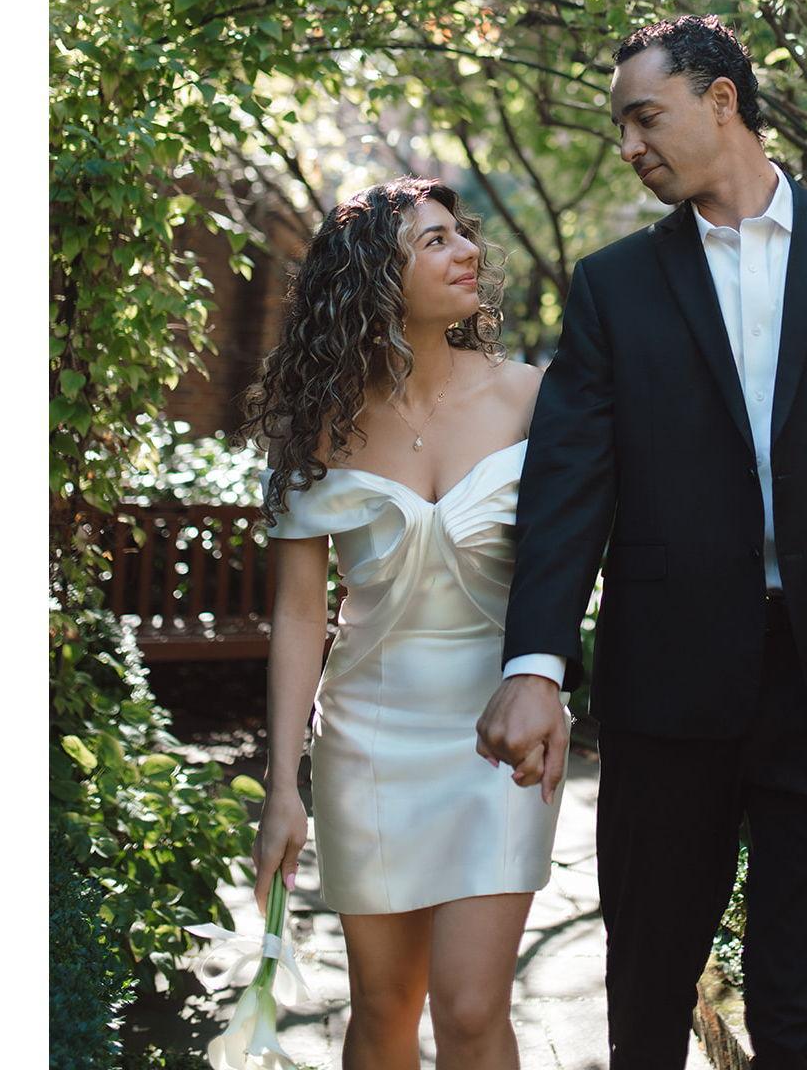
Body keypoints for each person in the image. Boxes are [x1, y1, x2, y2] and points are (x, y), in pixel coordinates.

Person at [476, 15, 807, 1069]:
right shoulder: (613, 285)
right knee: (647, 994)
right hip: (668, 690)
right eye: (621, 128)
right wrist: (535, 665)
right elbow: (571, 489)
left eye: (644, 117)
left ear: (721, 100)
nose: (629, 147)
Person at [243, 178, 564, 1070]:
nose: (467, 251)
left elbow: (575, 559)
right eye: (434, 241)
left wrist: (549, 682)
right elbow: (299, 612)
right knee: (385, 1008)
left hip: (500, 736)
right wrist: (282, 784)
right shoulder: (316, 425)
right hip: (367, 741)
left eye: (461, 234)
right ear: (373, 279)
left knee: (471, 1007)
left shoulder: (534, 398)